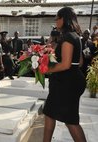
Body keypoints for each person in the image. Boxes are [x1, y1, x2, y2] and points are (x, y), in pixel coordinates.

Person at [43, 7, 87, 142]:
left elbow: (66, 64)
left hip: (66, 84)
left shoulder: (67, 37)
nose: (56, 21)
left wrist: (46, 69)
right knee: (50, 113)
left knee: (70, 121)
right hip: (71, 81)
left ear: (64, 19)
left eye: (57, 18)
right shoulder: (75, 36)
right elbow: (78, 62)